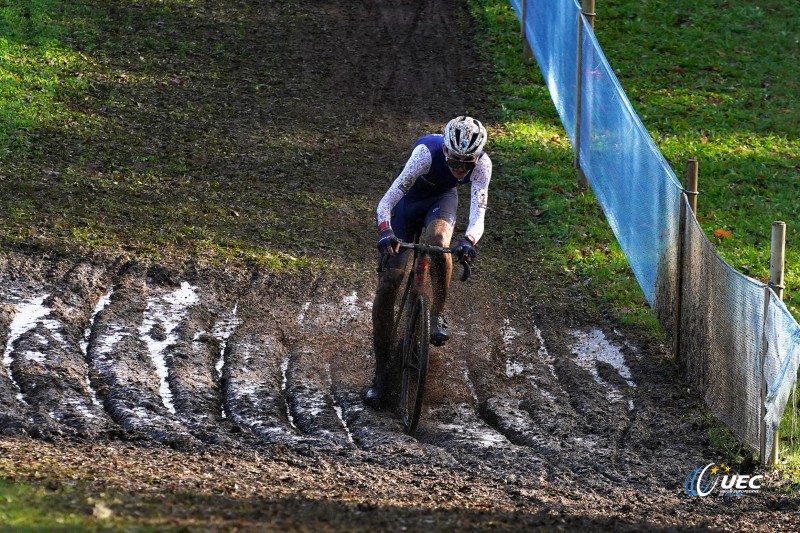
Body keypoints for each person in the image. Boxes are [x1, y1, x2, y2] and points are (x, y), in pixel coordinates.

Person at [366, 116, 492, 407]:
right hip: (407, 204)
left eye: (466, 164)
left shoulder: (482, 165)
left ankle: (437, 313)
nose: (460, 169)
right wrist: (385, 231)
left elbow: (478, 215)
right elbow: (386, 203)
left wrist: (468, 241)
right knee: (390, 282)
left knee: (439, 244)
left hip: (441, 201)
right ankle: (381, 374)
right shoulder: (425, 154)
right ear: (445, 149)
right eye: (454, 161)